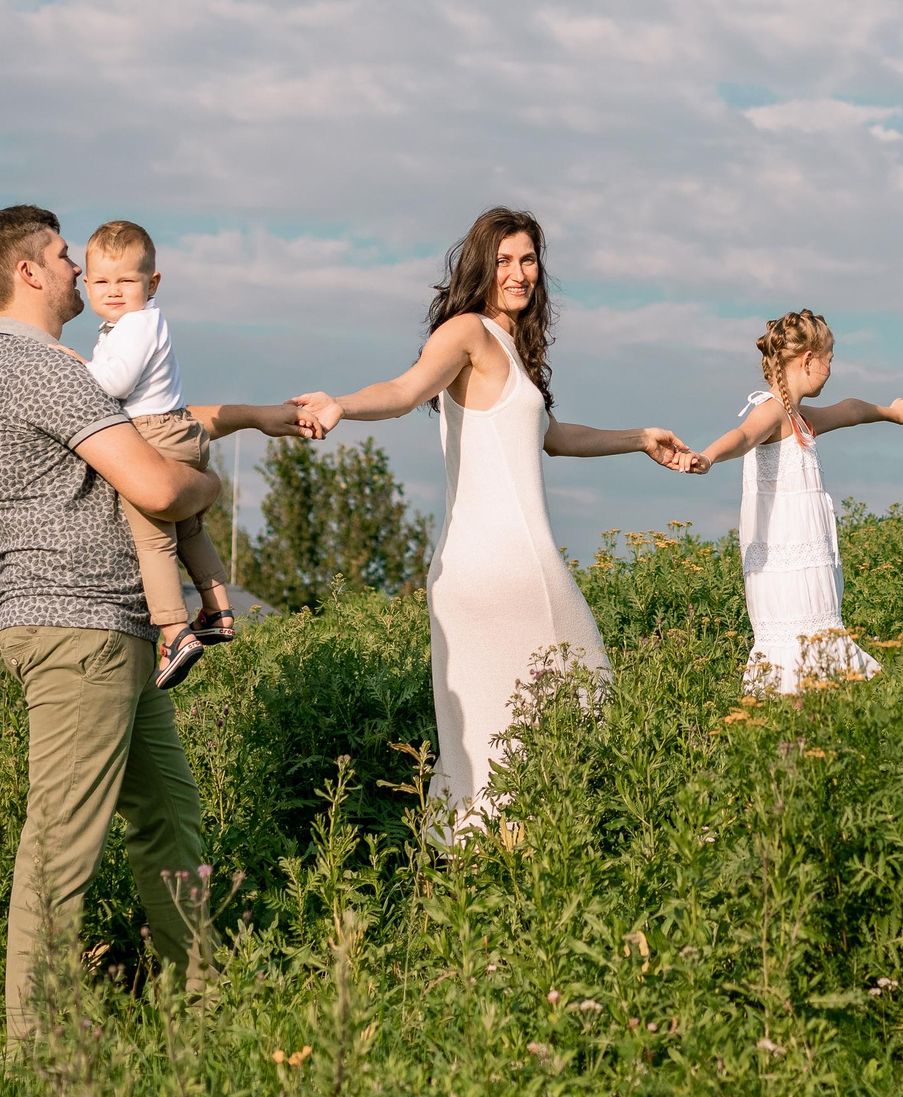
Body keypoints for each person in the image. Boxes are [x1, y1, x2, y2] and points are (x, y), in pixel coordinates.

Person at [0, 204, 304, 1039]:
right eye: (66, 256)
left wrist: (257, 416)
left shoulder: (39, 365)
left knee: (170, 819)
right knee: (61, 845)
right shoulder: (35, 366)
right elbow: (155, 481)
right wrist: (212, 489)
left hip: (111, 630)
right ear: (29, 272)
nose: (80, 270)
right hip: (80, 631)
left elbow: (158, 420)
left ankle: (201, 1014)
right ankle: (33, 1056)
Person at [288, 206, 696, 833]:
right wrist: (341, 404)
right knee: (585, 706)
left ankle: (466, 887)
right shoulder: (467, 332)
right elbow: (406, 389)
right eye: (504, 260)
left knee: (485, 746)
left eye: (528, 259)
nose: (519, 272)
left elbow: (553, 438)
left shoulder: (510, 346)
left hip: (479, 570)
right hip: (508, 567)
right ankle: (569, 860)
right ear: (481, 265)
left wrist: (640, 438)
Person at [688, 309, 903, 695]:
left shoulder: (800, 417)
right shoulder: (773, 410)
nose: (831, 369)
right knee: (798, 660)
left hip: (811, 564)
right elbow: (743, 436)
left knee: (817, 653)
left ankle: (809, 741)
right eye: (829, 359)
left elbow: (849, 410)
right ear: (808, 360)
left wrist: (891, 413)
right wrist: (708, 457)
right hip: (784, 569)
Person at [81, 219, 238, 690]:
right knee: (188, 527)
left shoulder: (133, 326)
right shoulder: (141, 322)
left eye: (126, 281)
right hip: (178, 429)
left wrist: (76, 368)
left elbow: (113, 384)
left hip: (152, 434)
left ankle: (174, 631)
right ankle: (219, 610)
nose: (113, 291)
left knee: (153, 541)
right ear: (86, 284)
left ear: (152, 283)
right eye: (102, 281)